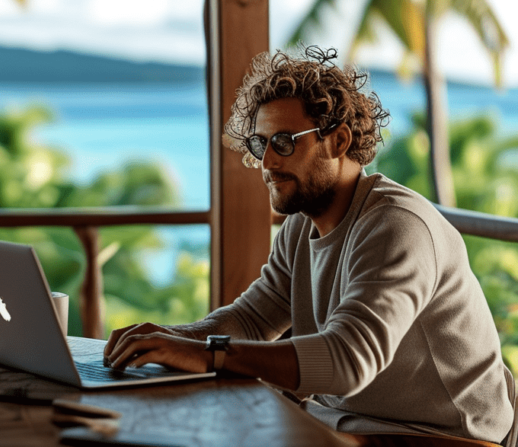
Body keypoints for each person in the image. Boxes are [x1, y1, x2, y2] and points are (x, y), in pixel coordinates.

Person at [104, 47, 515, 444]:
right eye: (259, 145)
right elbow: (251, 320)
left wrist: (210, 354)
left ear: (338, 141)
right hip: (347, 422)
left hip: (439, 436)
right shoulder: (301, 226)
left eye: (283, 142)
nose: (266, 163)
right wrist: (171, 339)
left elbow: (349, 360)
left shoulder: (396, 226)